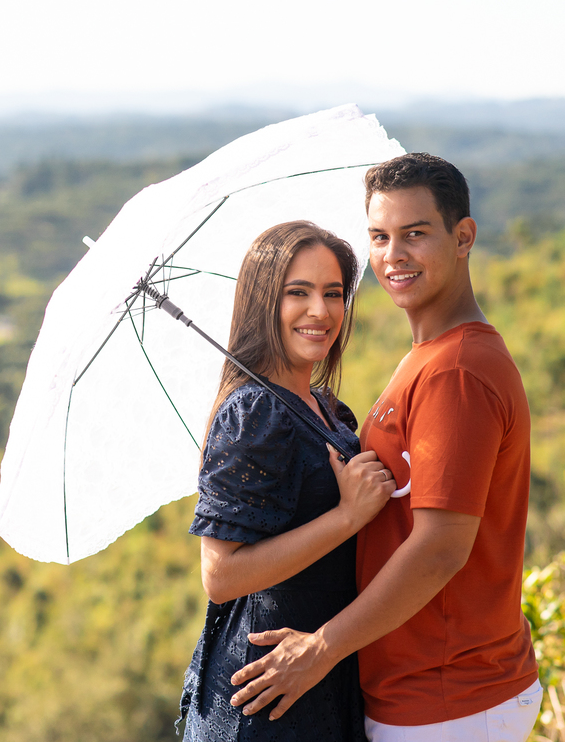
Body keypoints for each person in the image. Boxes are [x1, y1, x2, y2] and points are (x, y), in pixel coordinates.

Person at [227, 154, 541, 741]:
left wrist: (321, 648)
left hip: (447, 698)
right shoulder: (428, 357)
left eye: (414, 234)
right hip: (428, 692)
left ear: (463, 237)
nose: (393, 255)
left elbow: (440, 548)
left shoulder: (456, 370)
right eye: (379, 237)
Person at [180, 220, 398, 742]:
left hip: (319, 670)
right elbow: (221, 576)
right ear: (263, 302)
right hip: (266, 696)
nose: (320, 310)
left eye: (333, 293)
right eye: (297, 293)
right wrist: (347, 516)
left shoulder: (324, 407)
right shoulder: (254, 412)